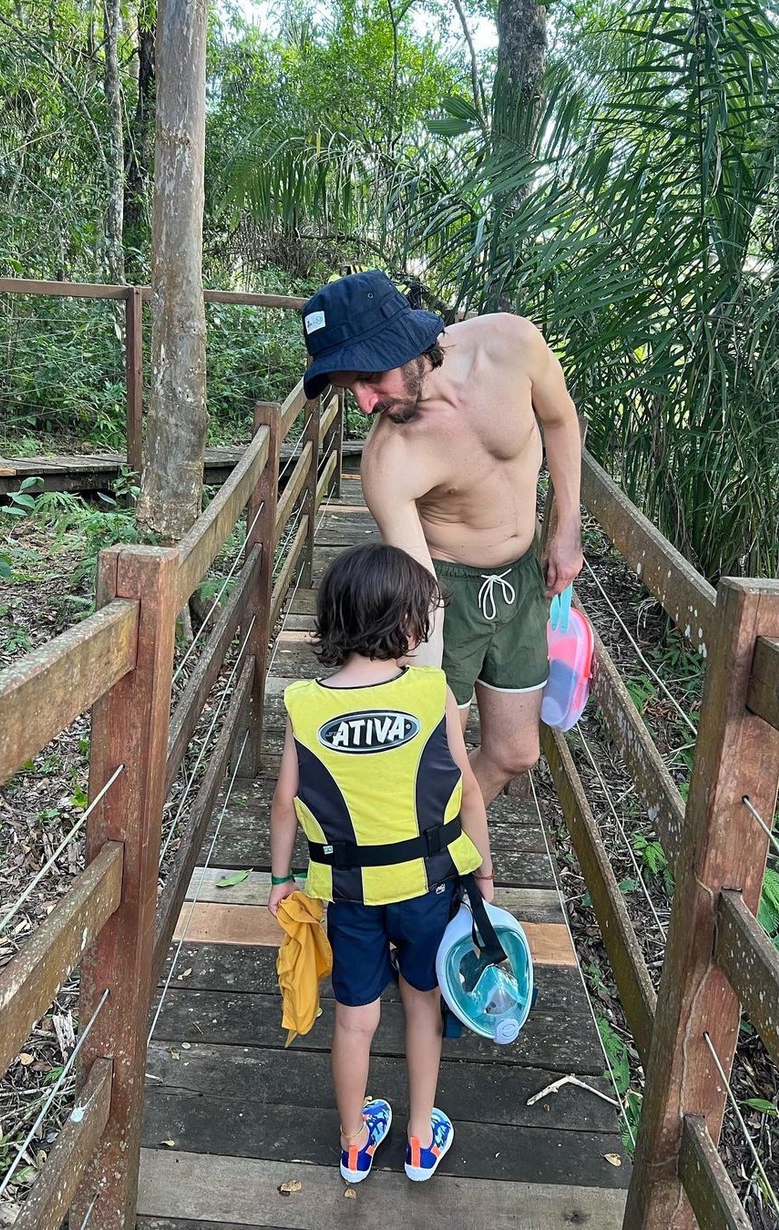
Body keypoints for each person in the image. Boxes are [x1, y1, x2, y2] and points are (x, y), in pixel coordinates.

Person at [300, 268, 584, 806]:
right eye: (351, 390)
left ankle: (444, 831)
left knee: (515, 753)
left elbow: (561, 419)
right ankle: (435, 855)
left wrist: (567, 525)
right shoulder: (391, 460)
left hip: (524, 579)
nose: (364, 403)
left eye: (368, 379)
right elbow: (421, 593)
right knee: (435, 760)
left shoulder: (511, 344)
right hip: (446, 589)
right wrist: (421, 695)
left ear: (403, 343)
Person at [268, 543, 493, 1185]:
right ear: (403, 624)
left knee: (355, 1017)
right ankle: (421, 1141)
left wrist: (282, 879)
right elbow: (468, 788)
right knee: (423, 1003)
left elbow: (285, 803)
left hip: (347, 892)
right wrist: (481, 872)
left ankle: (353, 1143)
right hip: (428, 886)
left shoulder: (306, 703)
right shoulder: (431, 691)